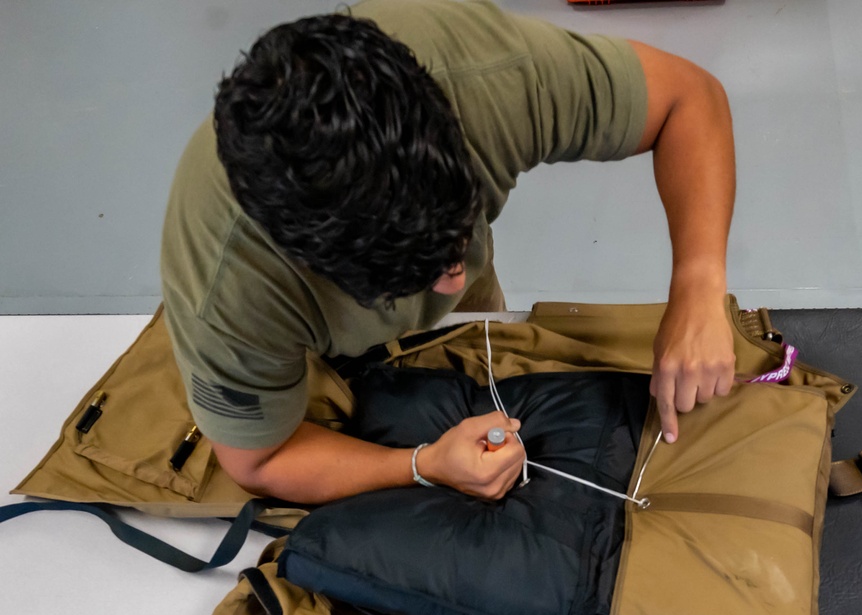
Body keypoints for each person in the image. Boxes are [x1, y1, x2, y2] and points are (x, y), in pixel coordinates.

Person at [160, 0, 735, 506]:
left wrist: (698, 287)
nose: (453, 282)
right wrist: (421, 466)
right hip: (298, 348)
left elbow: (689, 98)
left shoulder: (482, 71)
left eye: (456, 234)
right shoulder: (230, 288)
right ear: (314, 260)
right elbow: (258, 462)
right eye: (412, 271)